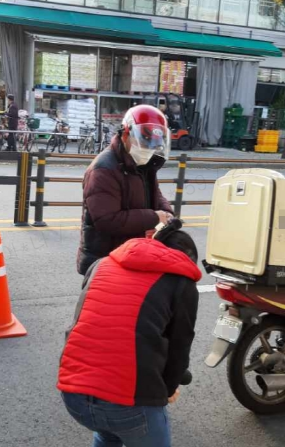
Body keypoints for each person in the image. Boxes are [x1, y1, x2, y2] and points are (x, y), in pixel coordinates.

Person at [59, 220, 201, 447]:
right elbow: (179, 349)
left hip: (73, 394)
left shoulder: (101, 264)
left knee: (107, 432)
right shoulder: (182, 283)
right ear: (187, 259)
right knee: (123, 421)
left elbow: (82, 322)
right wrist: (169, 389)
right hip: (128, 405)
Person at [77, 104, 175, 275]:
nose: (148, 149)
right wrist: (154, 217)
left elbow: (155, 194)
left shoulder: (142, 164)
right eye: (143, 142)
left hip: (132, 256)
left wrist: (166, 213)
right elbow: (107, 220)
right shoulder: (103, 169)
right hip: (105, 261)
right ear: (125, 135)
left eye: (153, 145)